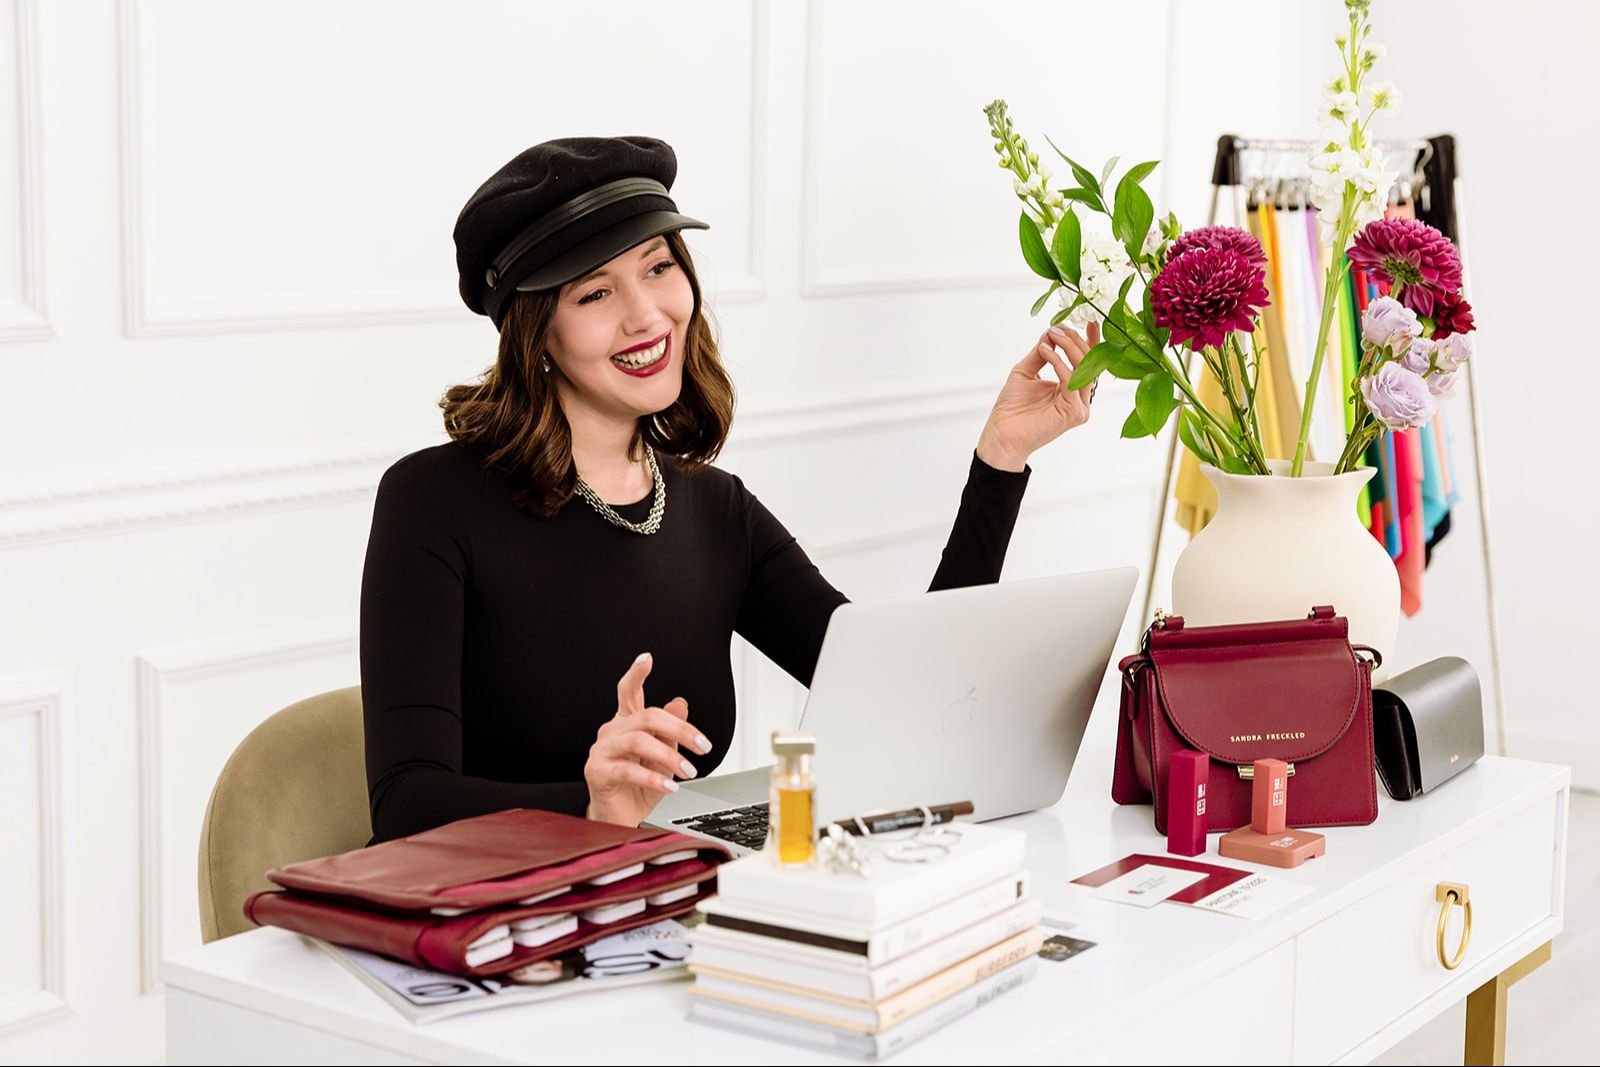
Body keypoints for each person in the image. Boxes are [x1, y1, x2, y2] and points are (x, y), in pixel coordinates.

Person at [360, 136, 1100, 843]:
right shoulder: (432, 501)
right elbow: (405, 803)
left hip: (679, 890)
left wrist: (1000, 460)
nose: (646, 314)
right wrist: (591, 805)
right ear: (535, 334)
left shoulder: (715, 509)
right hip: (506, 908)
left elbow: (907, 695)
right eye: (594, 293)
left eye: (658, 266)